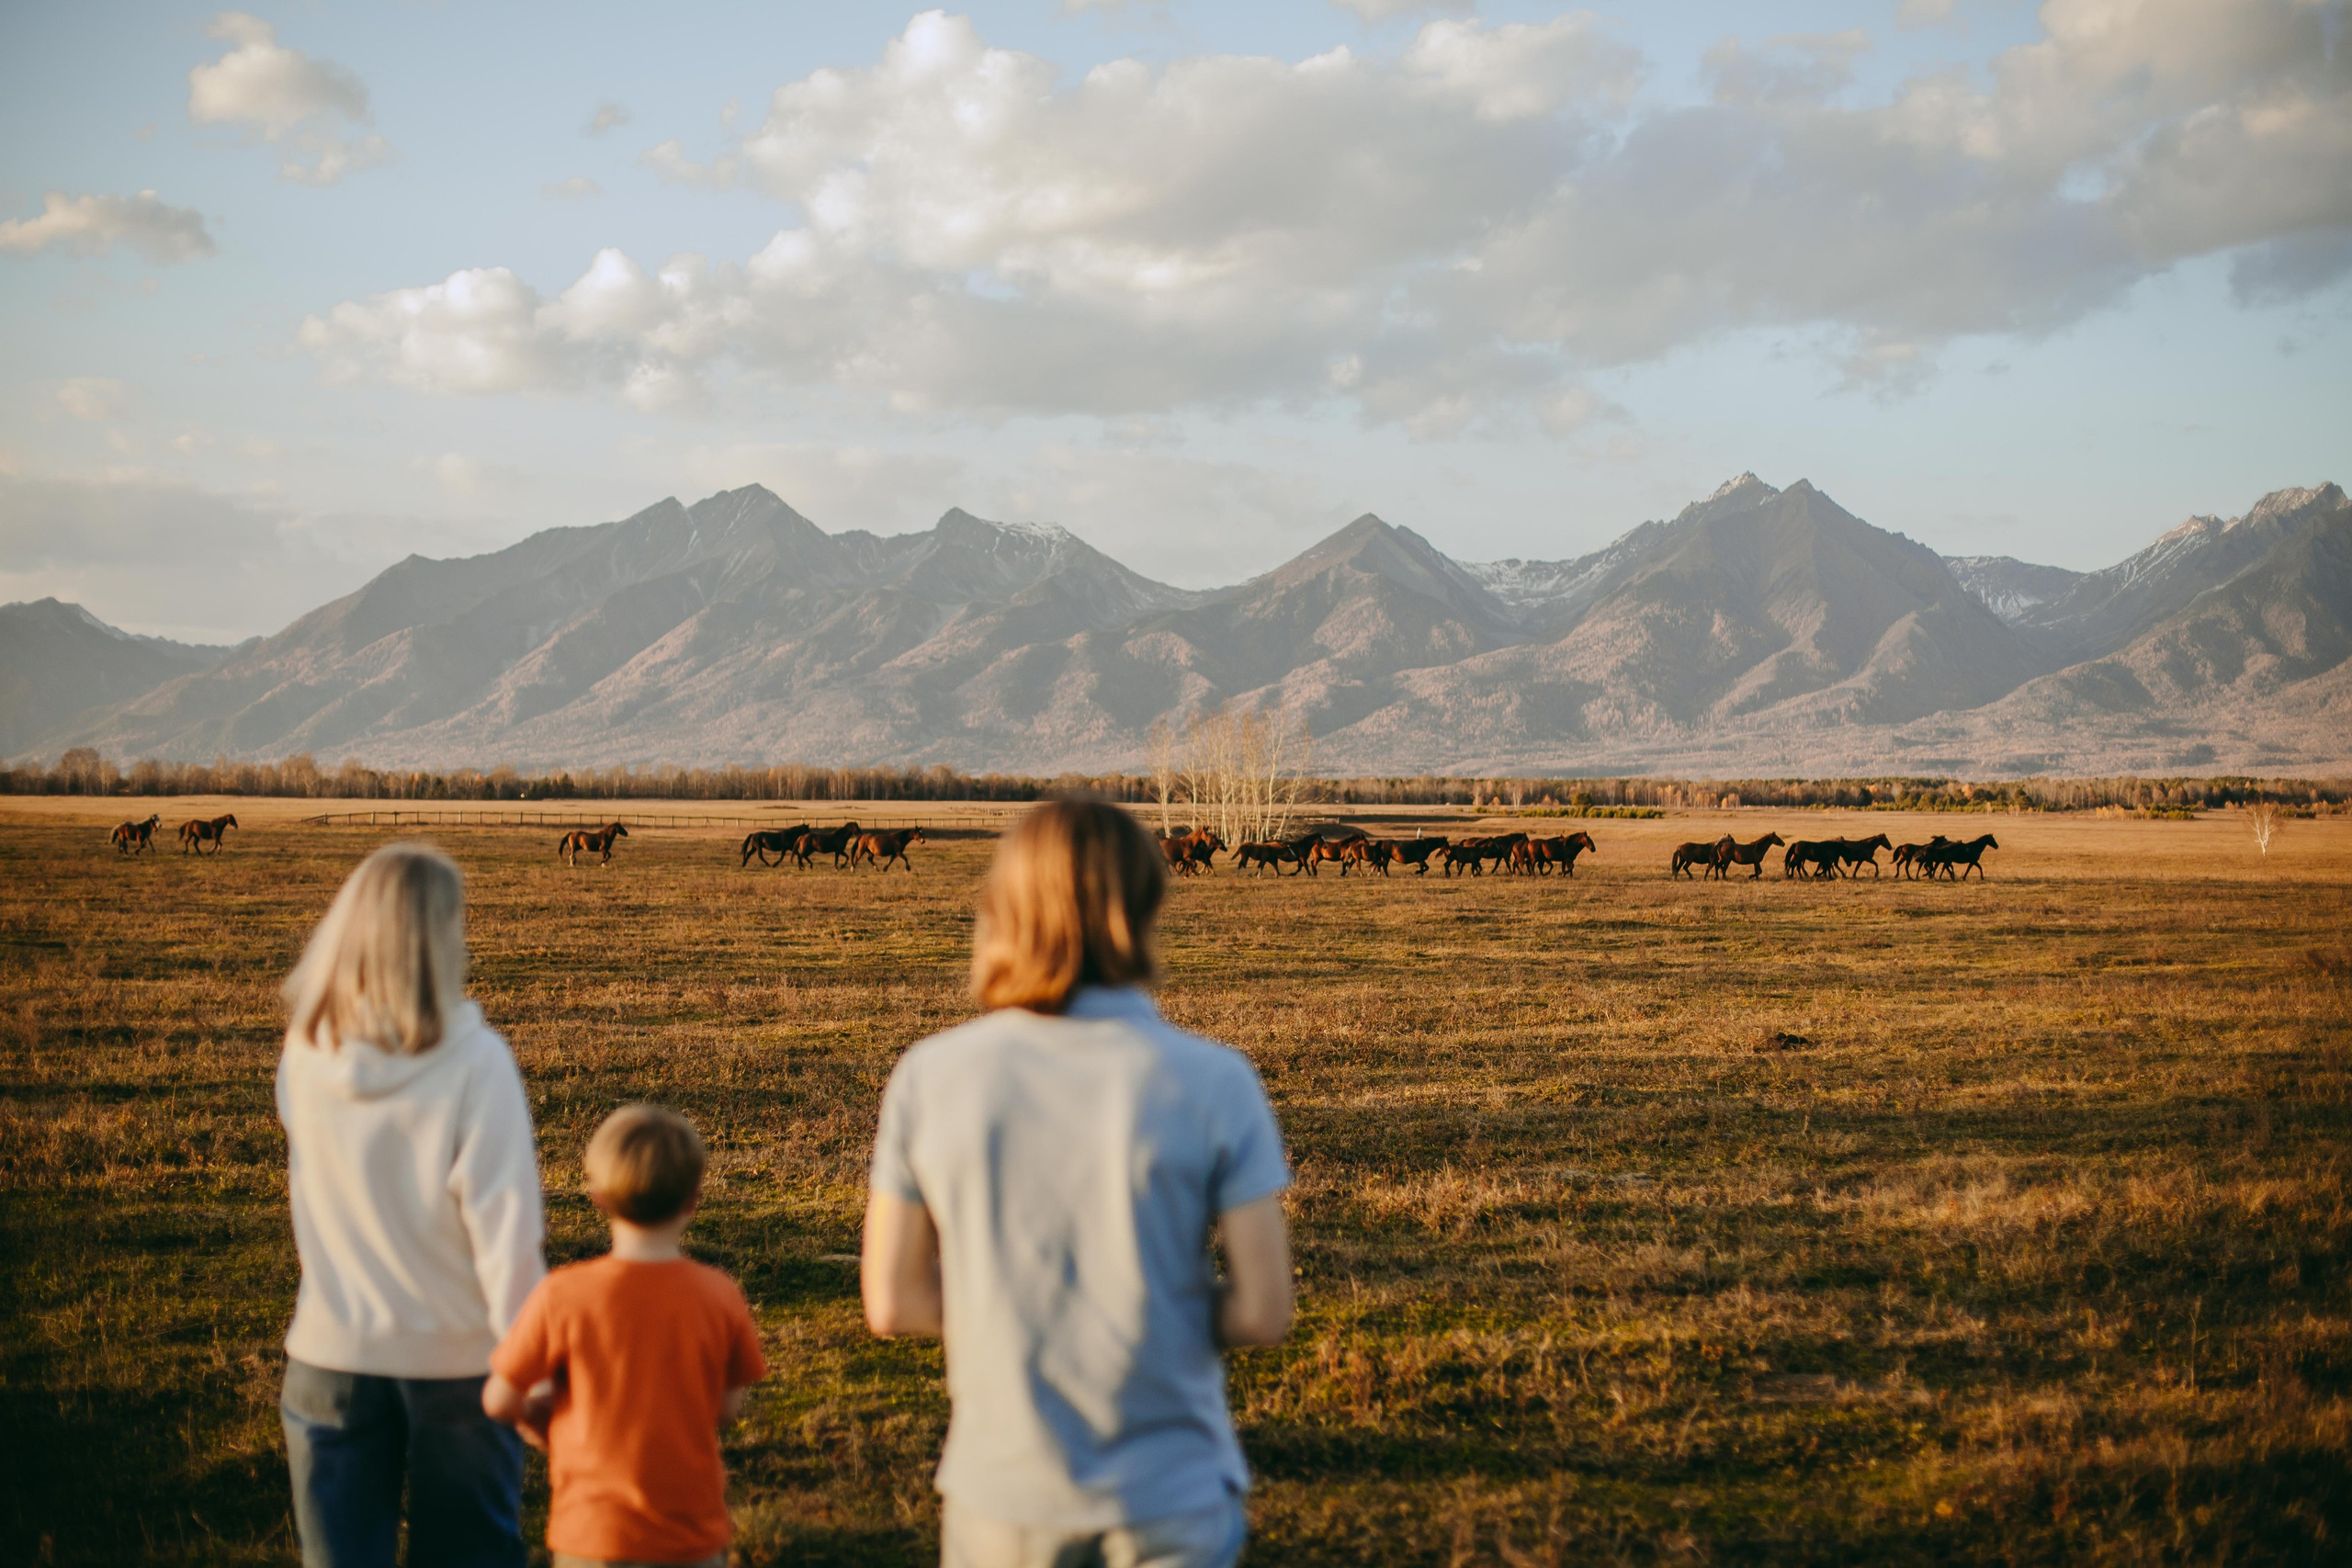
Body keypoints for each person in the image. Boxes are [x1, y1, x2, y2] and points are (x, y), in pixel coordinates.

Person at [863, 797, 1295, 1568]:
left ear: (1001, 906)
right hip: (1171, 1490)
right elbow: (1263, 1310)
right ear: (1149, 903)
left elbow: (894, 1302)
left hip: (1005, 1495)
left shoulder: (930, 1076)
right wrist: (1146, 1318)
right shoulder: (1215, 1080)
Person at [276, 842, 546, 1568]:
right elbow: (507, 1238)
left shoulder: (303, 1053)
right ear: (439, 936)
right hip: (457, 1363)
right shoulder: (475, 1061)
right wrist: (534, 1370)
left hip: (327, 1355)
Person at [483, 1104, 768, 1568]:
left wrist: (545, 1424)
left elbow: (499, 1400)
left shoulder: (562, 1295)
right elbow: (727, 1407)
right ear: (694, 1198)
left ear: (597, 1196)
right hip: (690, 1533)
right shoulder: (721, 1295)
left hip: (592, 1534)